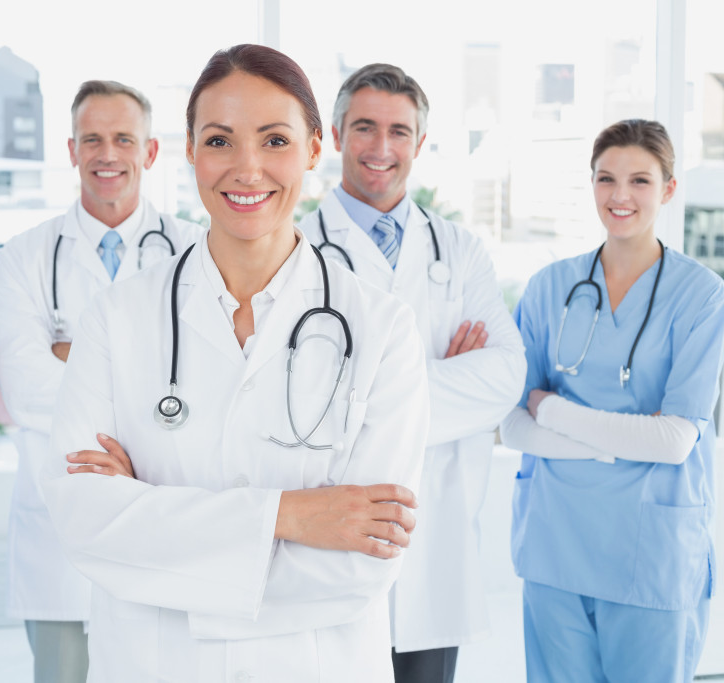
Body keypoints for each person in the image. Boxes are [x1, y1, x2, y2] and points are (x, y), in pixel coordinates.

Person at [39, 44, 428, 683]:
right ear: (190, 151)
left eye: (275, 140)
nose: (247, 169)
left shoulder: (382, 328)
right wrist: (294, 516)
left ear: (311, 149)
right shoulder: (118, 316)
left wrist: (150, 525)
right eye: (220, 141)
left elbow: (366, 560)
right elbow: (85, 521)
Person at [297, 63, 526, 683]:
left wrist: (364, 393)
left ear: (419, 145)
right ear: (337, 135)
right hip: (332, 537)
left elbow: (506, 375)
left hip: (434, 543)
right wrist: (446, 379)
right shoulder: (296, 251)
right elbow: (296, 400)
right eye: (365, 127)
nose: (381, 147)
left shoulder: (459, 248)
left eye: (399, 131)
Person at [0, 79, 203, 682]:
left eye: (122, 139)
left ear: (151, 152)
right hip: (58, 526)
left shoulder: (197, 251)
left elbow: (209, 385)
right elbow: (28, 390)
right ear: (72, 150)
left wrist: (73, 354)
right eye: (92, 140)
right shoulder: (25, 256)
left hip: (164, 516)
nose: (107, 154)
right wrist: (149, 381)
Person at [500, 119, 724, 682]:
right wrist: (625, 439)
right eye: (607, 179)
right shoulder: (550, 287)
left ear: (669, 189)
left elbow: (674, 442)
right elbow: (511, 428)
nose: (620, 196)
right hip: (556, 543)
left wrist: (551, 409)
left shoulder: (702, 297)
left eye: (640, 181)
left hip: (650, 551)